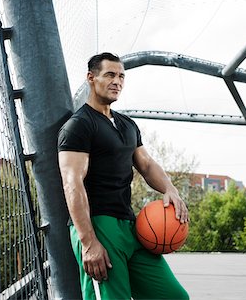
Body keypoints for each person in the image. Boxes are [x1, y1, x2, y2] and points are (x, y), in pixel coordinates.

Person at [58, 52, 190, 300]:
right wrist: (88, 242)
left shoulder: (127, 124)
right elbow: (72, 183)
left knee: (174, 296)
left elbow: (147, 164)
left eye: (121, 76)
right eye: (109, 75)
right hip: (98, 225)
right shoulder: (79, 125)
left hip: (131, 226)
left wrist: (170, 189)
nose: (116, 81)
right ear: (91, 78)